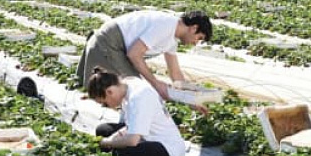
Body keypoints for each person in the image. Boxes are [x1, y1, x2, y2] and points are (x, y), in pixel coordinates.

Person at [76, 10, 212, 100]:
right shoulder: (166, 25)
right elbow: (134, 54)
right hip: (107, 43)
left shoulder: (172, 38)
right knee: (138, 90)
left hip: (117, 47)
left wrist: (192, 96)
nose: (195, 43)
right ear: (193, 28)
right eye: (198, 38)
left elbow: (175, 73)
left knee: (138, 90)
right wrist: (156, 83)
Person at [87, 67, 185, 156]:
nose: (106, 106)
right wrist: (111, 138)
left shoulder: (139, 96)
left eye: (104, 103)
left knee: (125, 152)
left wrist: (106, 143)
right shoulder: (125, 85)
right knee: (103, 130)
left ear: (109, 92)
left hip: (167, 148)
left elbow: (132, 140)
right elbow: (129, 126)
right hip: (145, 136)